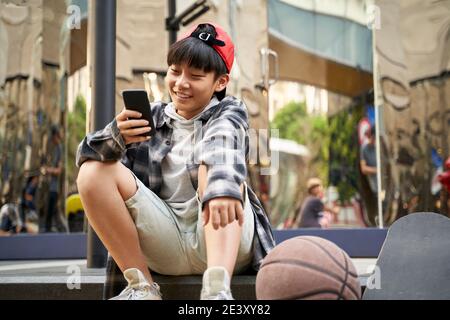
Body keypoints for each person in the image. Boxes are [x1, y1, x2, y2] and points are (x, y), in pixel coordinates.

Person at [76, 23, 275, 300]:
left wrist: (222, 187)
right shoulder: (152, 116)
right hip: (164, 240)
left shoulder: (230, 111)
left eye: (195, 75)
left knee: (217, 173)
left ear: (220, 82)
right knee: (92, 172)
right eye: (174, 71)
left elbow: (223, 144)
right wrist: (116, 135)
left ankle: (217, 292)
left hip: (219, 243)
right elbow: (84, 155)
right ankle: (142, 288)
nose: (181, 83)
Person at [42, 125, 68, 233]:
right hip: (49, 187)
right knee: (50, 212)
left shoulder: (59, 149)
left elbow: (58, 170)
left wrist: (48, 170)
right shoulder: (54, 148)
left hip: (54, 188)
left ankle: (62, 230)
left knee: (52, 212)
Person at [360, 126, 378, 195]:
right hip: (375, 187)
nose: (373, 140)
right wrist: (377, 170)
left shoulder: (379, 146)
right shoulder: (364, 149)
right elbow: (363, 169)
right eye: (372, 137)